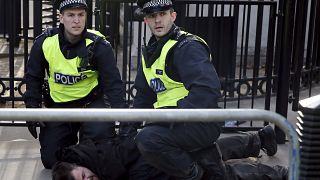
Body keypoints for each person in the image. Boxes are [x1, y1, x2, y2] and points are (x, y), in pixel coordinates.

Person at [132, 0, 280, 179]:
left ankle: (208, 177)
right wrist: (128, 130)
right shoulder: (151, 51)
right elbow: (143, 95)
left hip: (197, 121)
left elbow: (206, 91)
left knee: (153, 143)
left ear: (173, 16)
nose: (157, 21)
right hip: (174, 121)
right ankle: (258, 140)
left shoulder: (186, 47)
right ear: (145, 21)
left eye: (162, 14)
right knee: (172, 159)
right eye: (152, 16)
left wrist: (169, 119)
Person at [23, 0, 126, 169]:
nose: (76, 20)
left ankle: (85, 147)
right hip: (59, 107)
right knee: (51, 160)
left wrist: (124, 120)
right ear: (61, 17)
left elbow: (113, 85)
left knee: (101, 155)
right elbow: (33, 78)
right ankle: (79, 149)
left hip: (91, 105)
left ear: (86, 17)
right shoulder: (45, 42)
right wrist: (32, 109)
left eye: (81, 15)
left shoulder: (99, 44)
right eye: (71, 15)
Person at [51, 125, 288, 180]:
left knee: (216, 172)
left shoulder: (102, 160)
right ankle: (258, 139)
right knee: (210, 154)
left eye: (83, 177)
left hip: (160, 158)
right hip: (161, 154)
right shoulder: (96, 159)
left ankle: (278, 174)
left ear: (79, 165)